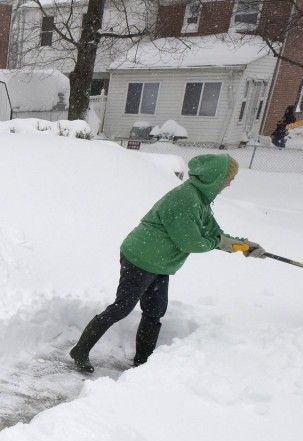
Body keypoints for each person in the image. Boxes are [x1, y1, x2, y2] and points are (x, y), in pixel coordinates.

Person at [69, 154, 264, 373]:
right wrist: (219, 242)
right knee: (122, 307)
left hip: (159, 263)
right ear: (214, 177)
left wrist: (243, 246)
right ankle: (80, 350)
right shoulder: (186, 199)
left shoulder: (200, 200)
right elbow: (192, 242)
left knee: (155, 311)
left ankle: (143, 363)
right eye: (228, 179)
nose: (228, 184)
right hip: (140, 258)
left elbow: (213, 232)